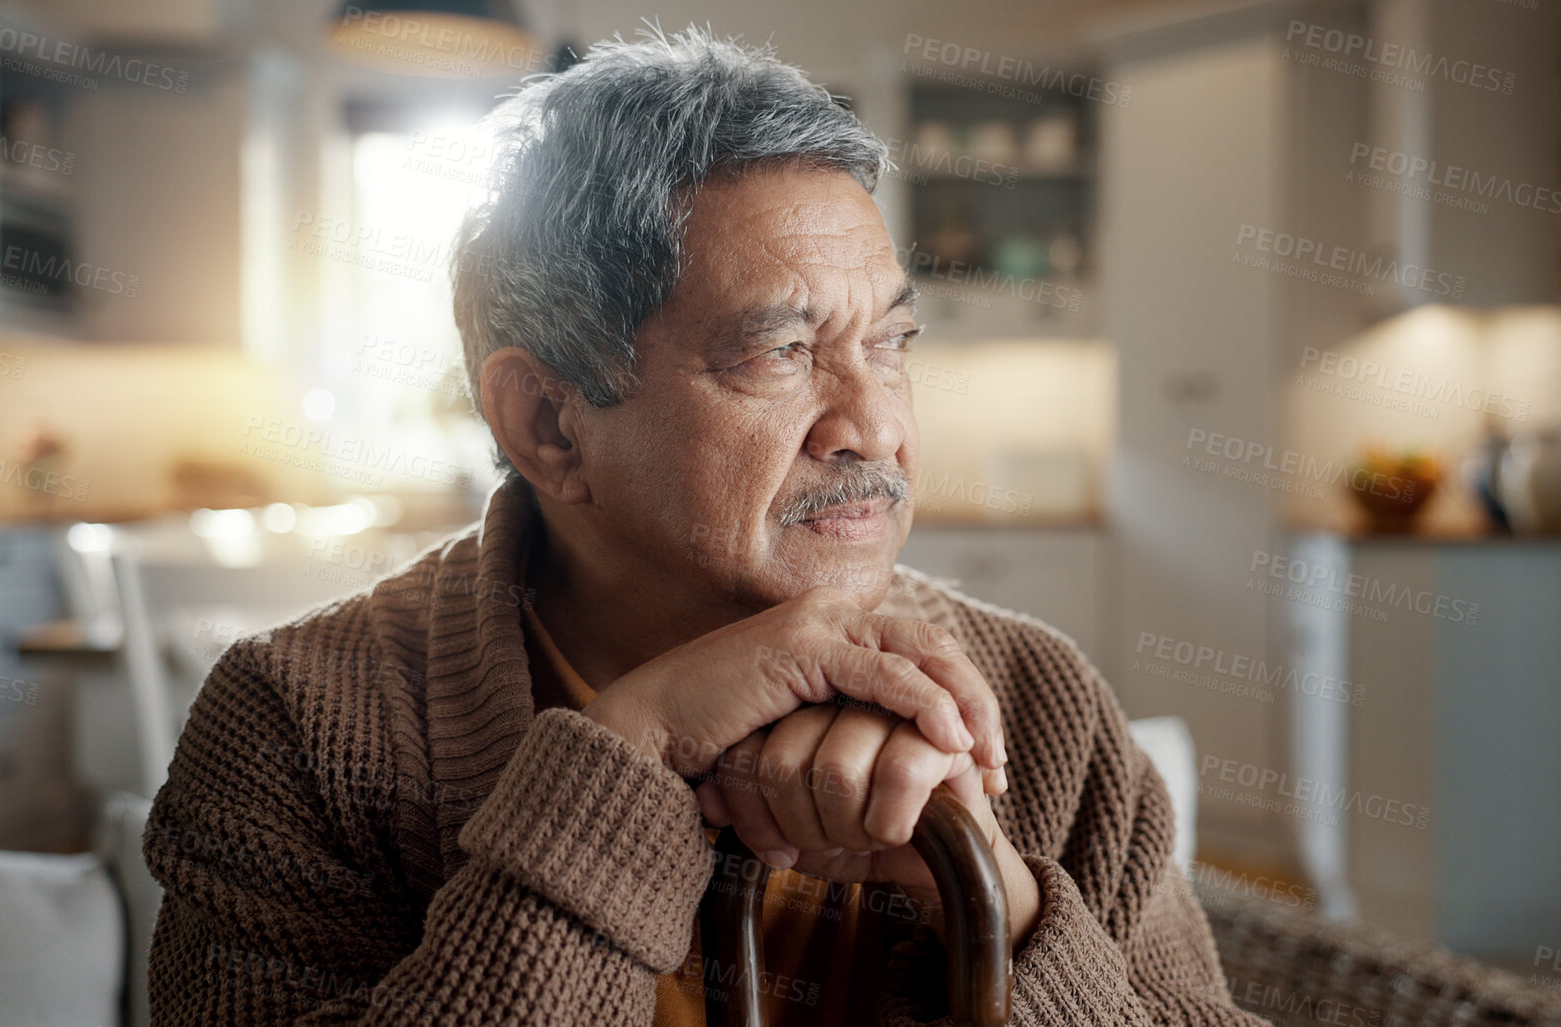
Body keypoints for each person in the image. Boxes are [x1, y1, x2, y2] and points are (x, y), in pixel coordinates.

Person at [143, 26, 1266, 1026]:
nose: (875, 426)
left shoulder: (1040, 704)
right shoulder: (294, 725)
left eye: (890, 342)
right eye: (778, 352)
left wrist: (997, 908)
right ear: (549, 424)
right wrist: (627, 759)